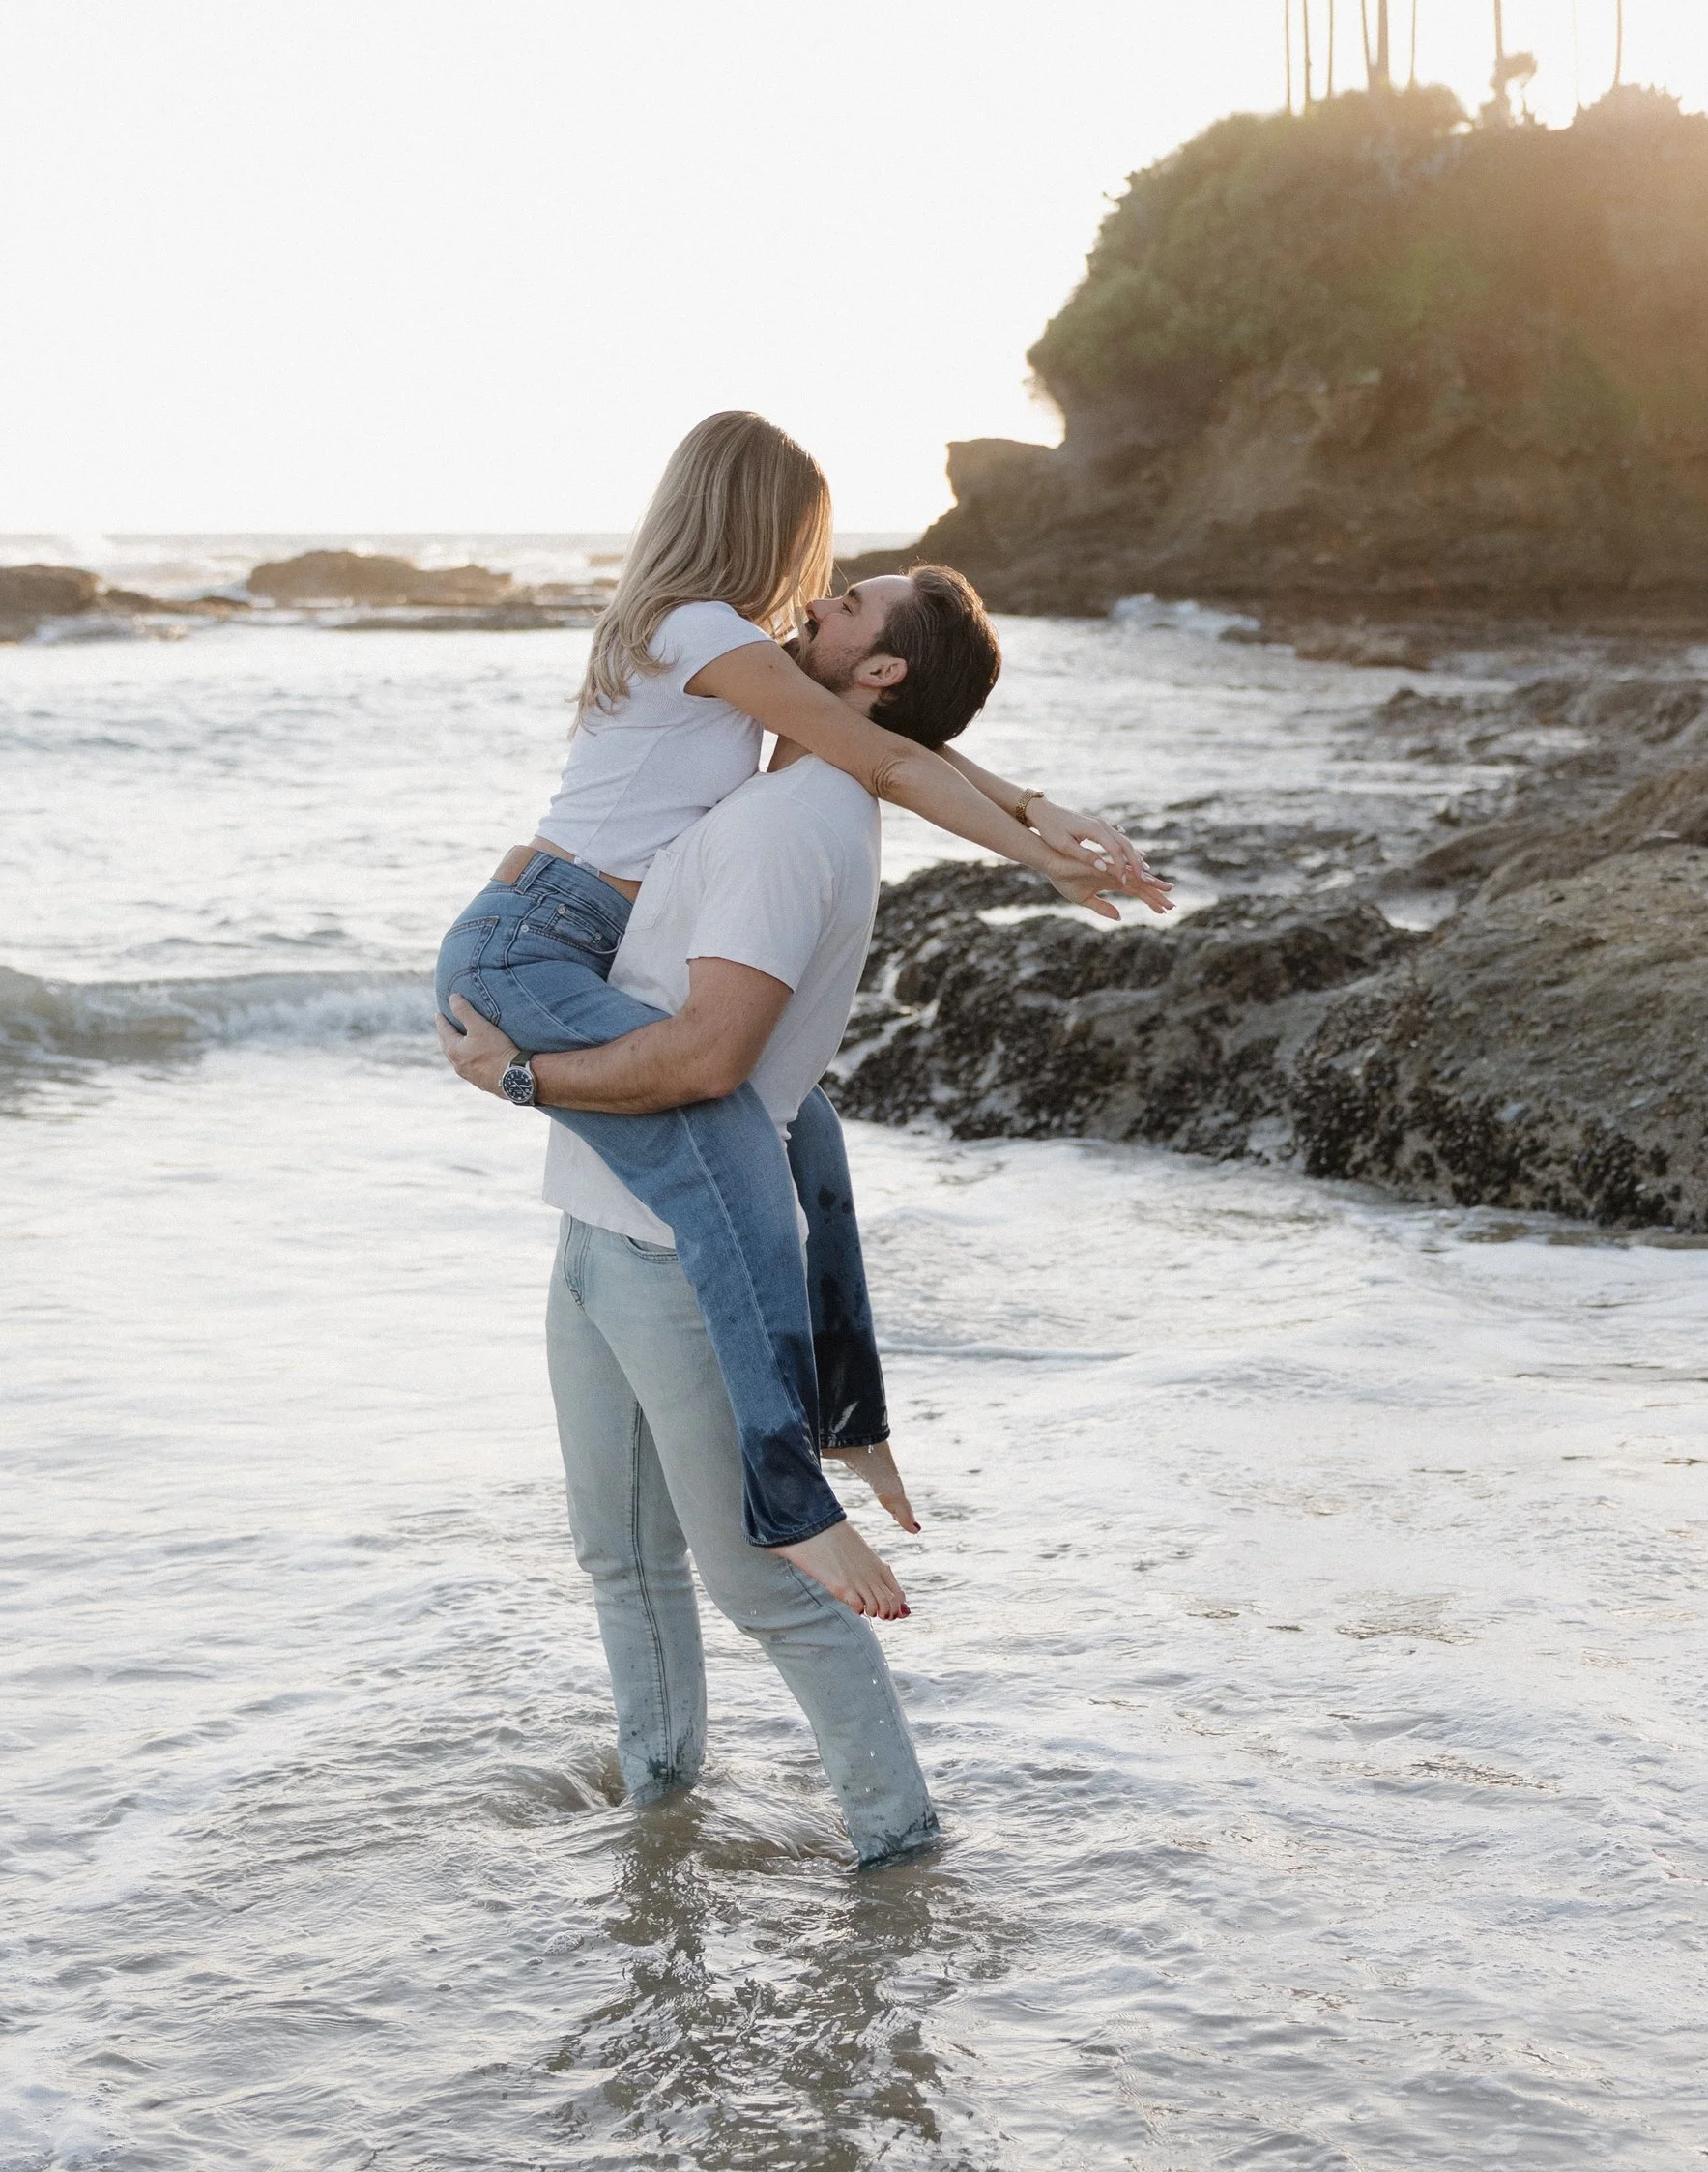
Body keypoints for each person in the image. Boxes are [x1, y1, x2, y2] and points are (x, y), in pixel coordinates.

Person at [433, 412, 1163, 1577]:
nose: (816, 585)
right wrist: (1039, 856)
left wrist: (1035, 808)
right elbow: (876, 753)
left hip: (564, 930)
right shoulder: (699, 629)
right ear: (765, 523)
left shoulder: (721, 636)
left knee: (800, 1122)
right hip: (530, 948)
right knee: (729, 1130)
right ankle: (788, 1496)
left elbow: (881, 727)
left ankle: (848, 1420)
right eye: (810, 543)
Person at [441, 565, 990, 1864]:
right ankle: (658, 1810)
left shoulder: (787, 826)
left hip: (672, 1257)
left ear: (881, 675)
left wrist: (520, 1075)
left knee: (761, 1582)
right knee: (620, 1558)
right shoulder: (770, 796)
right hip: (601, 1232)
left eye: (846, 607)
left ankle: (899, 1853)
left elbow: (708, 1061)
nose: (808, 611)